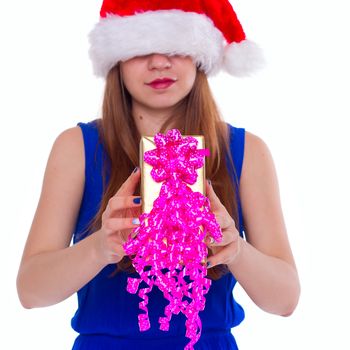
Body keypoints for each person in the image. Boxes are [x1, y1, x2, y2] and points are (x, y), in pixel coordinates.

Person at [16, 1, 300, 349]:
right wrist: (100, 246)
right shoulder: (76, 147)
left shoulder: (246, 151)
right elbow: (30, 291)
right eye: (140, 48)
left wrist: (235, 249)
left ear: (199, 55)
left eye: (175, 47)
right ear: (117, 60)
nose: (158, 62)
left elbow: (285, 300)